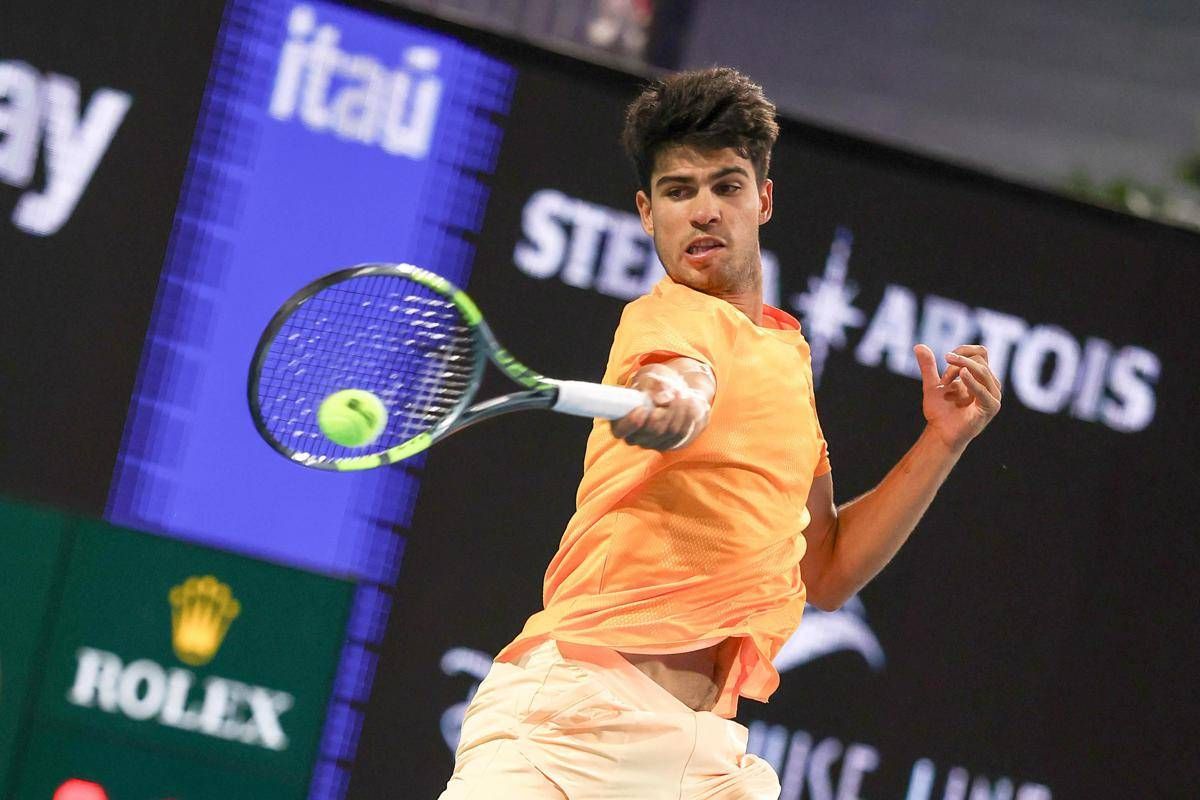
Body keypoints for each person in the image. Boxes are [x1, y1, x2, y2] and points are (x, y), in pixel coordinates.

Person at [439, 67, 1001, 800]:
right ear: (647, 213)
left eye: (725, 187)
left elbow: (828, 569)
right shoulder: (666, 319)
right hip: (571, 724)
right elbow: (677, 375)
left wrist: (943, 440)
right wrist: (673, 401)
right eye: (678, 192)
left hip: (702, 755)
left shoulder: (786, 357)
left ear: (762, 199)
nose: (703, 211)